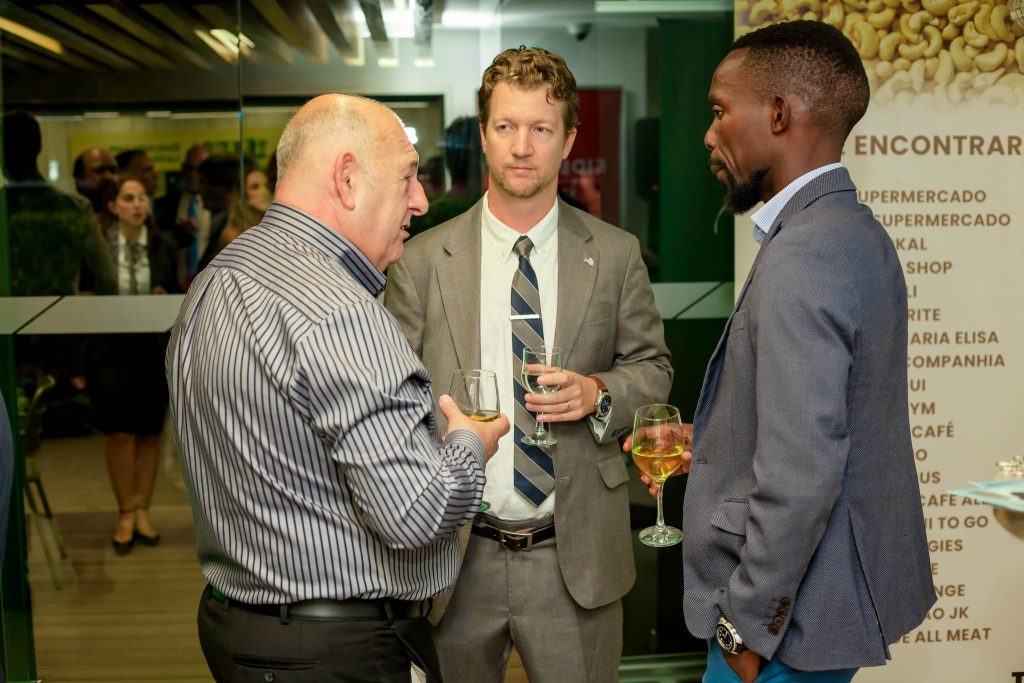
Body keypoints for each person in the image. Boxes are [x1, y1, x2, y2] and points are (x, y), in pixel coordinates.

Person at [166, 93, 509, 682]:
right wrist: (469, 444)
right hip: (337, 650)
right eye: (407, 177)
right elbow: (416, 512)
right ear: (348, 180)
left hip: (236, 629)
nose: (421, 201)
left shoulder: (215, 280)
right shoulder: (340, 312)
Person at [638, 20, 934, 683]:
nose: (708, 135)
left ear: (777, 113)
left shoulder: (803, 254)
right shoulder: (854, 229)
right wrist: (715, 442)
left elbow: (803, 470)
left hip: (784, 632)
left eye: (720, 110)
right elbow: (834, 415)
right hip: (826, 610)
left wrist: (745, 629)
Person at [385, 46, 673, 683]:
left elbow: (652, 368)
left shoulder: (616, 254)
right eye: (506, 126)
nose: (521, 147)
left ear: (567, 140)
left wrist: (598, 392)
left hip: (574, 556)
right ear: (483, 135)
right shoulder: (422, 261)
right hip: (455, 556)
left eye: (541, 128)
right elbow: (390, 398)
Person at [84, 174, 179, 554]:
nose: (137, 204)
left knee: (149, 434)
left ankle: (143, 510)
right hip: (111, 350)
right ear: (113, 206)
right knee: (120, 434)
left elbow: (177, 292)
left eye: (142, 197)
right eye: (128, 198)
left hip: (151, 349)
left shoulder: (163, 245)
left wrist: (162, 294)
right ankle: (125, 512)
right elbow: (85, 296)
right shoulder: (98, 247)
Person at [216, 167, 272, 249]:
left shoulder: (271, 225)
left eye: (267, 185)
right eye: (255, 187)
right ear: (241, 194)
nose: (265, 191)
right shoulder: (232, 234)